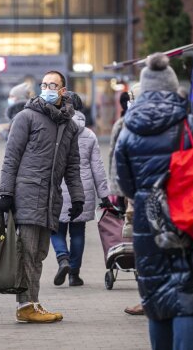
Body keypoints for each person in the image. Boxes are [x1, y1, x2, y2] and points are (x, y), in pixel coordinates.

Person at [115, 53, 193, 350]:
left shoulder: (128, 130)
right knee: (188, 297)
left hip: (149, 224)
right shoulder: (190, 125)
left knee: (157, 296)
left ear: (145, 90)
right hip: (190, 220)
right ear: (174, 89)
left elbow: (124, 183)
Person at [0, 70, 84, 323]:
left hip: (50, 198)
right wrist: (5, 192)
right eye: (44, 84)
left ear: (63, 91)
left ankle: (32, 303)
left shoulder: (69, 126)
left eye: (53, 84)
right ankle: (26, 305)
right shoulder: (26, 117)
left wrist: (77, 197)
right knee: (26, 251)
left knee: (39, 254)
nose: (47, 87)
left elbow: (72, 166)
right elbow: (11, 157)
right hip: (26, 193)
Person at [51, 92, 111, 287]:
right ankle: (74, 275)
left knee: (56, 229)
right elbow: (98, 168)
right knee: (78, 232)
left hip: (58, 187)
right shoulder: (89, 134)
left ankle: (63, 259)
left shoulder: (54, 129)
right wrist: (104, 195)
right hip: (82, 190)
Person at [108, 88, 145, 316]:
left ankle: (149, 299)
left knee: (144, 250)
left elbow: (117, 160)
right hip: (175, 203)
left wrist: (121, 195)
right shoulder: (184, 121)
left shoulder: (125, 125)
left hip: (143, 200)